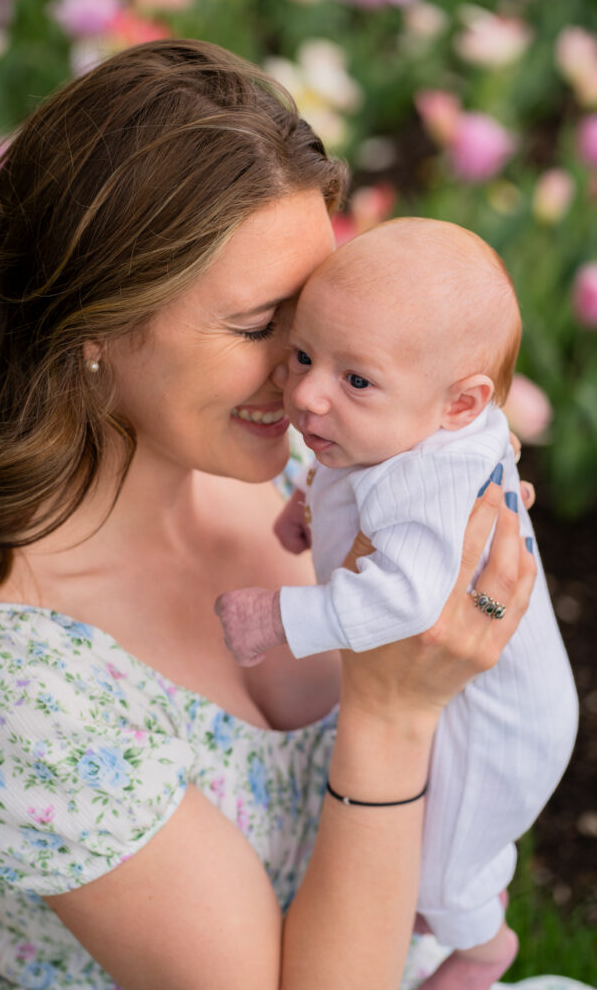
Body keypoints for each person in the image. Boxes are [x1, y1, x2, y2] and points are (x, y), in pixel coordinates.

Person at [0, 38, 566, 990]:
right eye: (262, 327)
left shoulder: (290, 446)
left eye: (315, 317)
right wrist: (391, 710)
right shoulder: (18, 684)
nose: (307, 371)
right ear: (94, 324)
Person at [214, 218, 579, 989]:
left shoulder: (433, 478)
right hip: (463, 683)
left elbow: (408, 599)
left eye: (355, 380)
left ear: (457, 406)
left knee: (445, 863)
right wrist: (305, 510)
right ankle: (430, 903)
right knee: (438, 832)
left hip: (503, 717)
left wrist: (279, 618)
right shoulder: (395, 425)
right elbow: (350, 489)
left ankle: (481, 944)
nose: (305, 390)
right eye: (303, 354)